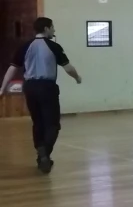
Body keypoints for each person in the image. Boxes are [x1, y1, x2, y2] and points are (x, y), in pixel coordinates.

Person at [0, 17, 81, 173]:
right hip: (47, 87)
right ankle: (44, 153)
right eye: (52, 27)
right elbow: (68, 68)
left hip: (29, 87)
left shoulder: (24, 46)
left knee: (38, 122)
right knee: (53, 124)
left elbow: (12, 68)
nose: (54, 30)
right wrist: (77, 78)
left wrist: (2, 88)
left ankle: (42, 155)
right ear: (46, 29)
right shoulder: (54, 46)